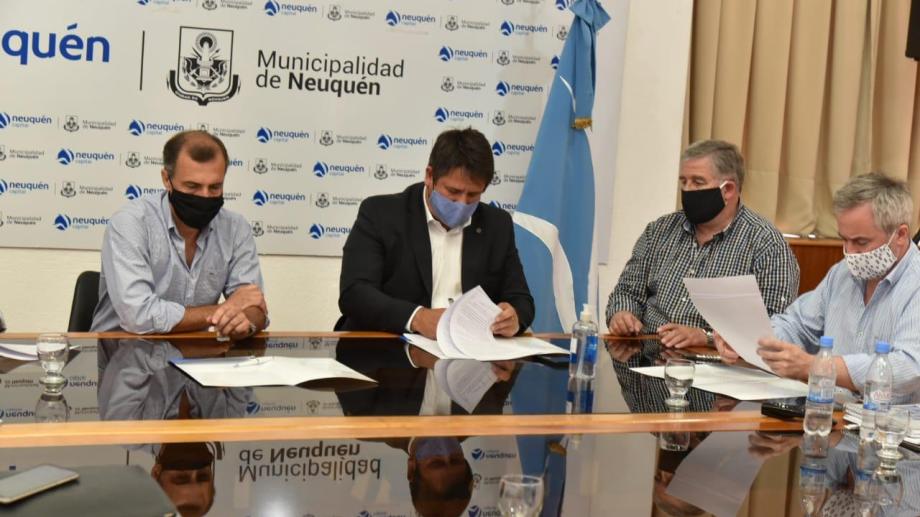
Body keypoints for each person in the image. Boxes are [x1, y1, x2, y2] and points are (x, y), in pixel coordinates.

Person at [717, 173, 920, 403]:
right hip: (828, 412)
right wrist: (745, 339)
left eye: (861, 242)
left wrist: (817, 366)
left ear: (900, 235)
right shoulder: (842, 273)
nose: (850, 252)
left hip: (892, 422)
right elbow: (797, 325)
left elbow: (910, 366)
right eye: (844, 239)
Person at [337, 128, 534, 338]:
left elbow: (521, 300)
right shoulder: (380, 214)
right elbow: (354, 294)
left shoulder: (497, 224)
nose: (462, 203)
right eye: (453, 191)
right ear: (430, 176)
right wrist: (418, 318)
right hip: (392, 347)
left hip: (469, 349)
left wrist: (514, 316)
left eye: (473, 195)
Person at [606, 139, 799, 348]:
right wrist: (622, 314)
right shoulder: (659, 230)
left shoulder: (767, 244)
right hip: (649, 351)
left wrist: (706, 337)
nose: (687, 190)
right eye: (683, 182)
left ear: (728, 190)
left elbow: (774, 327)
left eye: (698, 183)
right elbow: (626, 291)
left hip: (717, 361)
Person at [91, 130, 267, 339]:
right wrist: (225, 310)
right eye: (192, 186)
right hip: (120, 350)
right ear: (167, 179)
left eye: (215, 187)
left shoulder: (236, 228)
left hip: (194, 352)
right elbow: (138, 316)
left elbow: (255, 306)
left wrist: (247, 322)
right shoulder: (131, 223)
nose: (204, 196)